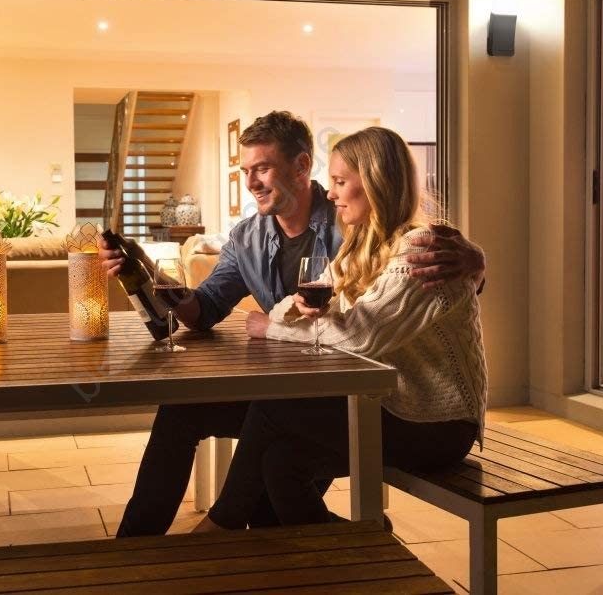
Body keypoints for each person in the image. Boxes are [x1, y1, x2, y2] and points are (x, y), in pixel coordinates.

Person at [101, 111, 485, 537]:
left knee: (274, 456)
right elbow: (203, 309)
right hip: (307, 393)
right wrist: (149, 272)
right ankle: (133, 547)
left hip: (356, 398)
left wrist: (476, 265)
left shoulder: (351, 222)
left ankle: (219, 530)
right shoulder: (250, 238)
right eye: (245, 171)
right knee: (196, 417)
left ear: (302, 166)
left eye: (262, 168)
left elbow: (401, 299)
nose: (251, 182)